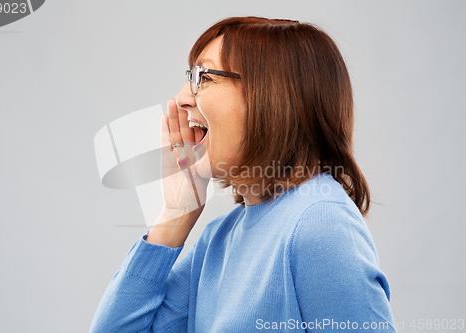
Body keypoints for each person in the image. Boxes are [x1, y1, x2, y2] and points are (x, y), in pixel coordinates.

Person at [90, 16, 397, 332]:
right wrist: (176, 214)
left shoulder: (320, 223)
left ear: (272, 94)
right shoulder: (218, 239)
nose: (182, 97)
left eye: (204, 77)